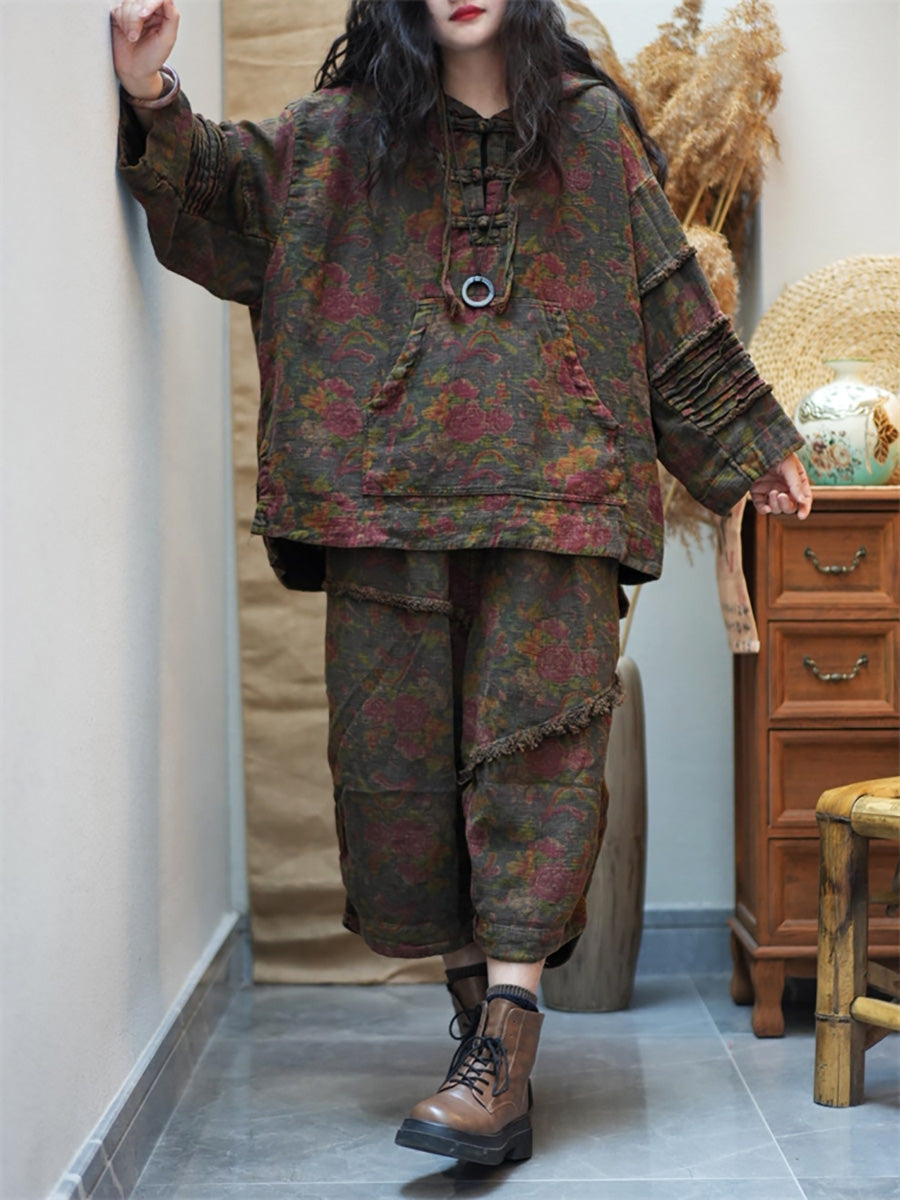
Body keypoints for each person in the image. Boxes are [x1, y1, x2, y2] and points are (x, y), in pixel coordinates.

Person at [111, 0, 812, 1168]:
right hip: (387, 506)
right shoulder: (339, 136)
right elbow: (225, 203)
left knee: (541, 768)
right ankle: (480, 1044)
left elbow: (666, 301)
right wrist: (149, 89)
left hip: (556, 500)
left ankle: (503, 1044)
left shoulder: (589, 131)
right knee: (400, 786)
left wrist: (753, 446)